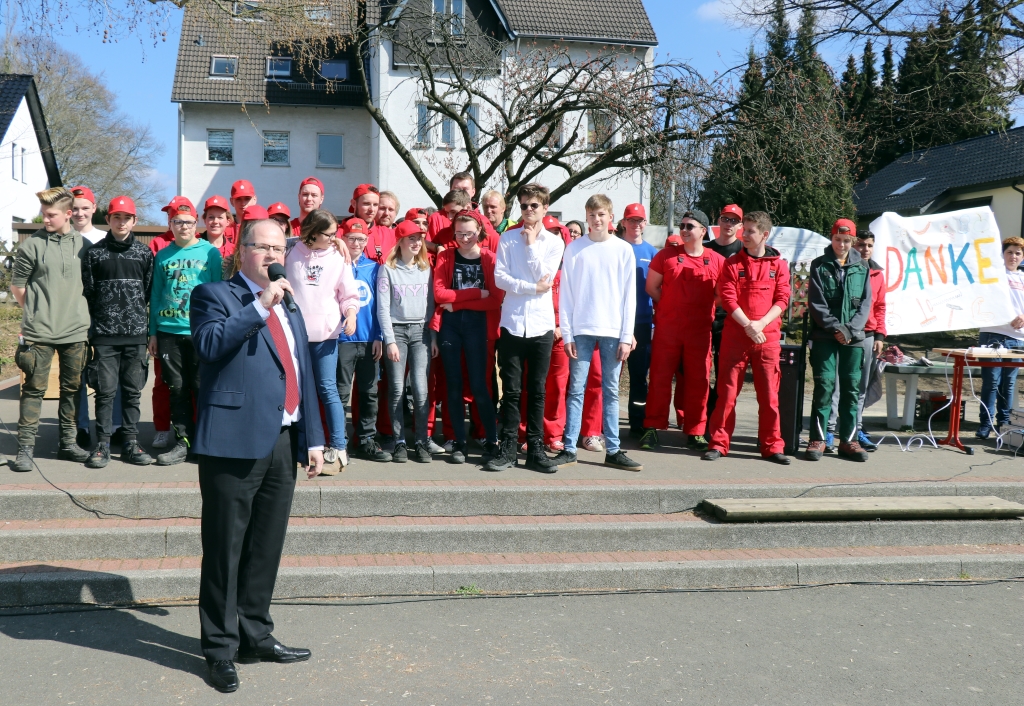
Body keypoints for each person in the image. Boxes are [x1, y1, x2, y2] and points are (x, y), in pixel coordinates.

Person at [189, 218, 324, 694]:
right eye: (262, 246)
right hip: (232, 441)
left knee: (266, 546)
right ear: (241, 250)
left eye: (278, 248)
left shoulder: (291, 304)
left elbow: (301, 371)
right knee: (225, 549)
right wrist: (259, 306)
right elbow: (209, 345)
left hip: (282, 439)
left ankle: (255, 636)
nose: (271, 255)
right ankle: (220, 649)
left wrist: (312, 438)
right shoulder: (213, 295)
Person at [550, 194, 641, 472]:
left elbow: (629, 297)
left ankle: (613, 449)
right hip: (581, 330)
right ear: (586, 217)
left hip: (613, 330)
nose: (596, 219)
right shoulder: (574, 249)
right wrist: (568, 334)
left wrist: (626, 335)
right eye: (591, 215)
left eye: (601, 214)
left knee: (610, 392)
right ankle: (569, 449)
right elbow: (566, 294)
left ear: (611, 217)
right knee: (575, 390)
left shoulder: (623, 249)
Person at [10, 187, 92, 471]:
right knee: (33, 389)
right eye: (44, 214)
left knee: (73, 389)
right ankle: (25, 449)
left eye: (51, 214)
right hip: (39, 333)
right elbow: (18, 286)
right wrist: (35, 313)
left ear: (68, 214)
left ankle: (68, 443)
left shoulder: (84, 245)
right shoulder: (32, 245)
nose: (45, 219)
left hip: (76, 331)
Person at [703, 211, 791, 465]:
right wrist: (748, 326)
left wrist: (760, 324)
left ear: (765, 235)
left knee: (769, 397)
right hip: (736, 338)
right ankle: (718, 443)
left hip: (767, 339)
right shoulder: (732, 264)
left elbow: (782, 299)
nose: (745, 235)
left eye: (751, 231)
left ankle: (772, 446)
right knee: (727, 394)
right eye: (745, 230)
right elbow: (728, 298)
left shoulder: (779, 266)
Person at [489, 183, 565, 472]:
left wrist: (532, 244)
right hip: (512, 323)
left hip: (541, 326)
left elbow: (545, 277)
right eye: (524, 205)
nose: (529, 210)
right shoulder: (508, 239)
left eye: (534, 205)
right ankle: (508, 448)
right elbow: (500, 279)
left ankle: (535, 449)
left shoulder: (554, 243)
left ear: (545, 208)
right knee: (511, 390)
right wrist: (531, 288)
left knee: (537, 390)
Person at [80, 196, 156, 468]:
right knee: (105, 392)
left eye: (126, 218)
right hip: (104, 336)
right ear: (108, 219)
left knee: (132, 392)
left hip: (135, 336)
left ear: (134, 221)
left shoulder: (144, 253)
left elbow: (148, 291)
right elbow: (89, 292)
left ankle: (131, 442)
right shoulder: (95, 254)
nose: (121, 222)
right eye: (116, 217)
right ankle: (102, 444)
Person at [640, 209, 724, 451]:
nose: (684, 230)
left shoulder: (717, 260)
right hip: (668, 329)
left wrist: (702, 309)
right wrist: (669, 307)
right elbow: (651, 288)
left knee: (699, 381)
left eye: (690, 226)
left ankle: (696, 431)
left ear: (703, 231)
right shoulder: (665, 256)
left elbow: (721, 296)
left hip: (699, 331)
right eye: (682, 226)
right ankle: (652, 427)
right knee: (659, 379)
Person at [149, 196, 223, 466]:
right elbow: (156, 295)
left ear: (196, 223)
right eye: (178, 222)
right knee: (177, 389)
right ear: (171, 224)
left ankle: (206, 441)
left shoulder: (210, 253)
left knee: (203, 387)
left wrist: (217, 328)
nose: (184, 227)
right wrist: (153, 333)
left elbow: (218, 292)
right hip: (168, 331)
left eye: (189, 222)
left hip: (200, 331)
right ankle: (183, 441)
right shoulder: (163, 255)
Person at [285, 209, 360, 469]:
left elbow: (349, 294)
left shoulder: (338, 256)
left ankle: (338, 446)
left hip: (325, 335)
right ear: (313, 232)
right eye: (329, 234)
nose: (334, 238)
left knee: (328, 390)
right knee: (297, 391)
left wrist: (351, 315)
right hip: (294, 334)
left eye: (335, 233)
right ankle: (301, 445)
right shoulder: (290, 251)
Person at [431, 210, 504, 463]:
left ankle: (491, 440)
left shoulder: (490, 258)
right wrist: (475, 294)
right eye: (459, 233)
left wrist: (457, 303)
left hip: (479, 326)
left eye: (469, 233)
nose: (464, 238)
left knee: (479, 386)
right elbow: (440, 294)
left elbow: (494, 299)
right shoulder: (446, 256)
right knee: (453, 386)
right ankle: (459, 443)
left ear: (479, 232)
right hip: (450, 326)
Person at [806, 218, 872, 462]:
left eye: (846, 241)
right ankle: (818, 439)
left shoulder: (863, 267)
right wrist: (836, 328)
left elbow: (866, 304)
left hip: (854, 338)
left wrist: (850, 330)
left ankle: (849, 441)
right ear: (831, 238)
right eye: (837, 239)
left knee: (851, 389)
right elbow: (816, 303)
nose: (841, 245)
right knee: (824, 386)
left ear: (853, 241)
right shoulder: (818, 265)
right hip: (825, 336)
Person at [378, 220, 437, 464]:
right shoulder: (387, 269)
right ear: (400, 240)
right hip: (397, 332)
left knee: (421, 389)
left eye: (419, 238)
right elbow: (383, 308)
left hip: (421, 332)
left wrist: (433, 336)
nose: (416, 242)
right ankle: (400, 441)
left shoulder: (426, 268)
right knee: (396, 388)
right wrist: (390, 340)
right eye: (411, 238)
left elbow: (431, 306)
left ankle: (421, 441)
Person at [825, 230, 887, 451]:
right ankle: (829, 431)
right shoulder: (845, 268)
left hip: (867, 334)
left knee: (859, 387)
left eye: (869, 245)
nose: (865, 249)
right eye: (861, 245)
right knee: (836, 386)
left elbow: (880, 306)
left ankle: (855, 430)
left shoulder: (877, 273)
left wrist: (880, 335)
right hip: (843, 333)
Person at [337, 218, 391, 462]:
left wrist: (379, 335)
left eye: (361, 239)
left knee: (369, 392)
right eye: (351, 238)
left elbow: (381, 305)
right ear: (343, 238)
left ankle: (367, 438)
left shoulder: (375, 268)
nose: (356, 243)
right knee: (340, 392)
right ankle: (339, 441)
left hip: (369, 339)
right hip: (342, 339)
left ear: (367, 241)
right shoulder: (336, 265)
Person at [69, 185, 120, 448]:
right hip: (72, 319)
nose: (80, 213)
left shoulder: (105, 239)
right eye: (74, 208)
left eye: (85, 208)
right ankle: (80, 427)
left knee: (110, 374)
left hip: (103, 319)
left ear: (94, 208)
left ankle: (115, 426)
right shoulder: (62, 239)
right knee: (76, 374)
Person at [976, 236, 1024, 440]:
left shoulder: (1022, 278)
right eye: (1009, 252)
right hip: (992, 334)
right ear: (1002, 254)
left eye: (1018, 253)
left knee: (1009, 384)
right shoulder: (993, 275)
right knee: (991, 382)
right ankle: (985, 424)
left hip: (1017, 338)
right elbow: (984, 299)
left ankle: (1004, 425)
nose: (1013, 256)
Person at [704, 204, 746, 435]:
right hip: (704, 316)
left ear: (740, 225)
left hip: (730, 319)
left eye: (734, 220)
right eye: (725, 219)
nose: (729, 224)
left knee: (724, 374)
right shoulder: (706, 248)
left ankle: (717, 422)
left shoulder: (743, 251)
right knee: (698, 372)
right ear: (718, 221)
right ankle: (703, 416)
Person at [146, 200, 184, 451]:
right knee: (162, 382)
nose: (174, 218)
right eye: (171, 215)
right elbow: (155, 289)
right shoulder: (158, 244)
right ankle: (161, 428)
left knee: (188, 385)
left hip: (191, 327)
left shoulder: (200, 247)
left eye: (179, 214)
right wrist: (153, 331)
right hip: (166, 325)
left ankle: (187, 432)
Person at [618, 203, 657, 437]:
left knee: (639, 376)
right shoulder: (615, 248)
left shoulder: (652, 253)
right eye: (631, 220)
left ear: (645, 223)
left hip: (642, 323)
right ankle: (600, 424)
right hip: (615, 322)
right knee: (610, 377)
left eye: (639, 220)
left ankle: (637, 422)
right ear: (624, 222)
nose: (635, 224)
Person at [202, 194, 236, 262]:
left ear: (228, 222)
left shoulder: (234, 251)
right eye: (211, 217)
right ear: (205, 220)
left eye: (220, 217)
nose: (215, 221)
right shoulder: (194, 246)